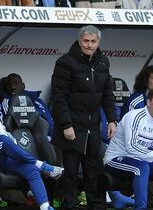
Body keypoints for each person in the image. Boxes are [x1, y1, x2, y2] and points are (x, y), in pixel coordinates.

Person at [0, 87, 63, 210]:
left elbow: (12, 140)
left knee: (30, 169)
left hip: (2, 160)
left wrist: (7, 149)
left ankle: (45, 207)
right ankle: (41, 164)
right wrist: (3, 147)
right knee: (2, 140)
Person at [51, 25, 117, 210]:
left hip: (93, 127)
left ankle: (96, 206)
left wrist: (112, 119)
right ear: (79, 41)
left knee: (94, 173)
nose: (89, 45)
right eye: (86, 41)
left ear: (98, 42)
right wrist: (66, 124)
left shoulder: (104, 62)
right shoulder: (65, 62)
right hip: (72, 126)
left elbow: (108, 94)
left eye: (93, 41)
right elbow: (59, 97)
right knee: (71, 173)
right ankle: (70, 205)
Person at [104, 88, 153, 210]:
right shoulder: (135, 116)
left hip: (139, 161)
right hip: (115, 160)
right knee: (142, 167)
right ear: (149, 102)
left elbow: (146, 145)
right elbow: (131, 146)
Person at [0, 73, 54, 142]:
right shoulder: (6, 102)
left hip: (48, 137)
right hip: (24, 140)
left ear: (23, 86)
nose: (13, 87)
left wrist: (51, 136)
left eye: (16, 83)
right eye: (9, 84)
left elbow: (49, 120)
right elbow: (8, 125)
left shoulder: (37, 101)